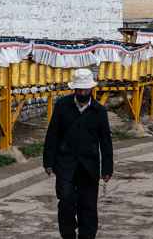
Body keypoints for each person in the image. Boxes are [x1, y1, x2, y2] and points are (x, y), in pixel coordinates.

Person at [44, 68, 113, 239]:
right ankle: (68, 234)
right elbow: (52, 135)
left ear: (91, 89)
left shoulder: (99, 112)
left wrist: (107, 169)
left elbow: (105, 142)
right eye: (79, 89)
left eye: (86, 90)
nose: (83, 93)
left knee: (88, 207)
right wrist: (48, 162)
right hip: (65, 165)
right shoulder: (62, 106)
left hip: (89, 167)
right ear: (74, 89)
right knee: (66, 203)